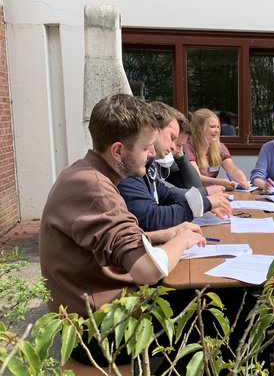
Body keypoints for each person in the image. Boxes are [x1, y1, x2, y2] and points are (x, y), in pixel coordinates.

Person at [39, 93, 205, 330]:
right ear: (118, 151)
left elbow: (102, 244)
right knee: (212, 306)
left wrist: (162, 236)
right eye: (146, 147)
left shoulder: (84, 173)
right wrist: (183, 240)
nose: (152, 155)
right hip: (98, 330)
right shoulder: (95, 189)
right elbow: (148, 270)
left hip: (92, 311)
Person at [118, 102, 231, 231]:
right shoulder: (129, 167)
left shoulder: (148, 164)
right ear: (154, 130)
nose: (173, 147)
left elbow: (167, 195)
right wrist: (203, 204)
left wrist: (203, 203)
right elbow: (151, 218)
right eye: (172, 138)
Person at [185, 108, 250, 191]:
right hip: (194, 194)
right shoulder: (188, 148)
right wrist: (221, 182)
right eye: (212, 127)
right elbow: (197, 178)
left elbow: (232, 169)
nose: (217, 131)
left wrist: (241, 178)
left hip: (212, 192)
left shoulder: (220, 147)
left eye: (218, 127)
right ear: (199, 128)